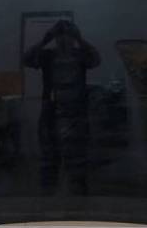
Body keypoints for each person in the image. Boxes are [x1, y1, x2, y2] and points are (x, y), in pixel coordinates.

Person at [23, 20, 100, 195]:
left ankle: (78, 199)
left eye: (68, 36)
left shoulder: (80, 55)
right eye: (60, 36)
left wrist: (80, 39)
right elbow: (26, 59)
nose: (64, 40)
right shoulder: (48, 56)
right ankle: (49, 199)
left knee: (77, 160)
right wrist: (45, 39)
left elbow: (96, 60)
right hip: (52, 114)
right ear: (56, 38)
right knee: (49, 159)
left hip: (75, 115)